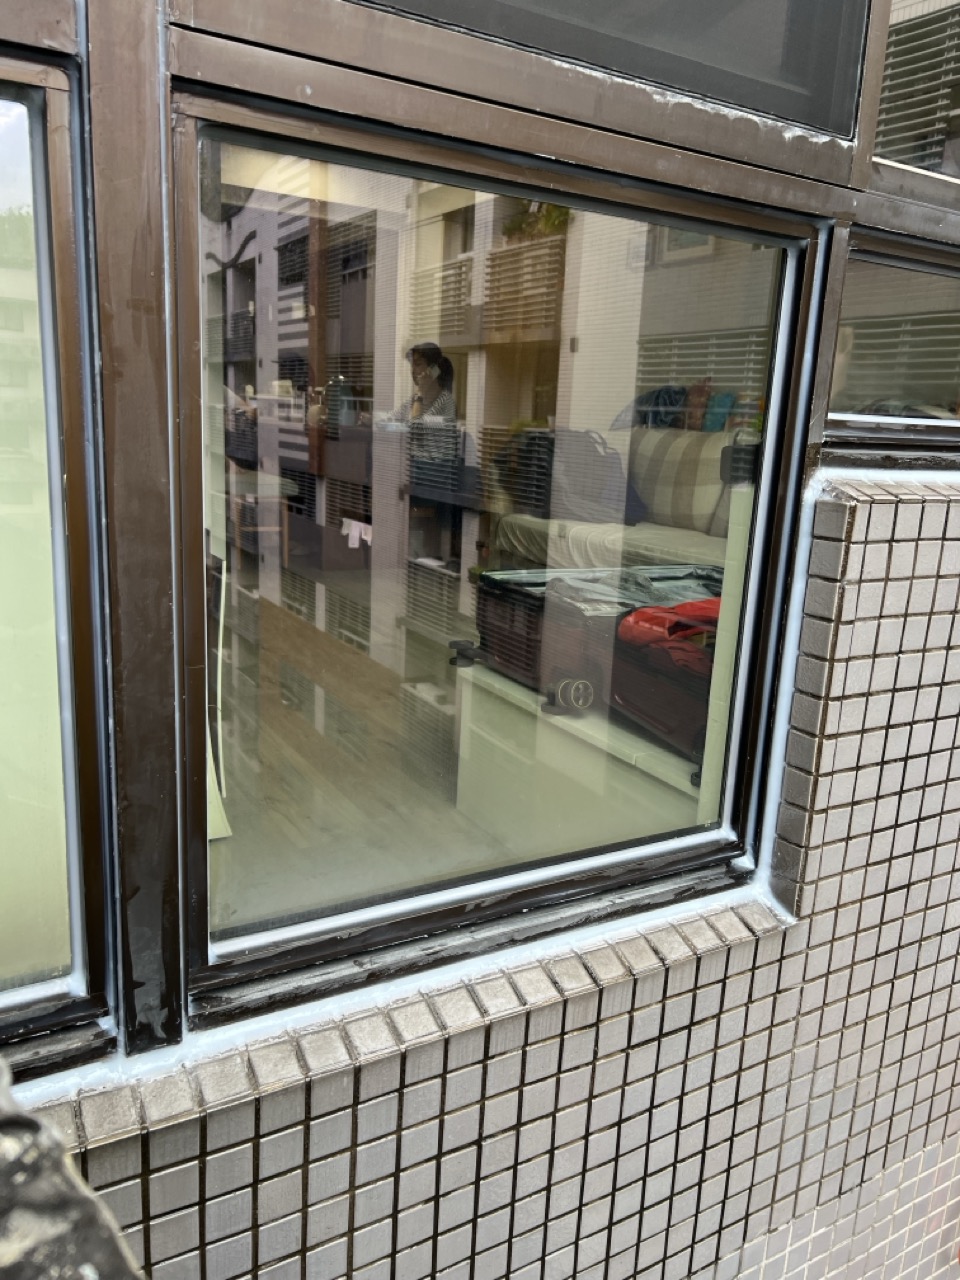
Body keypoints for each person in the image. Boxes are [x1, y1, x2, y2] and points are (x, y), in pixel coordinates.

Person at [397, 342, 457, 425]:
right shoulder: (417, 397)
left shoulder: (445, 401)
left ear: (433, 370)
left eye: (418, 364)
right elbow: (395, 417)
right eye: (412, 365)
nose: (412, 370)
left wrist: (420, 392)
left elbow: (416, 428)